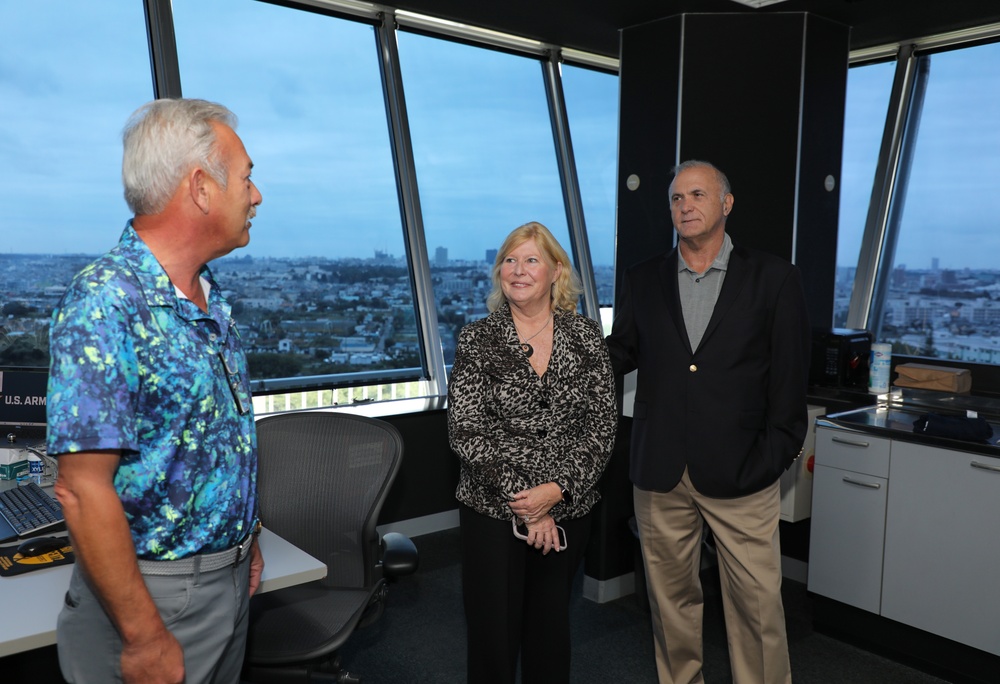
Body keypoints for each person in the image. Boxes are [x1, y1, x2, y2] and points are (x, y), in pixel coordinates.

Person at [46, 98, 264, 684]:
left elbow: (220, 437)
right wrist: (143, 635)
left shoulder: (206, 295)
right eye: (246, 177)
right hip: (154, 598)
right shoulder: (106, 301)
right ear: (200, 188)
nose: (257, 194)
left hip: (227, 579)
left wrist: (244, 538)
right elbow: (81, 487)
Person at [605, 160, 810, 684]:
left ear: (727, 204)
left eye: (698, 194)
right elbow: (620, 352)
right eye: (676, 198)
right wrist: (551, 353)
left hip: (742, 471)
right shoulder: (643, 278)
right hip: (660, 470)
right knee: (670, 604)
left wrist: (773, 456)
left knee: (758, 607)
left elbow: (789, 382)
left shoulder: (774, 278)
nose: (686, 206)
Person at [447, 221, 617, 684]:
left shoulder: (586, 338)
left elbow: (600, 429)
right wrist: (530, 503)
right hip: (494, 512)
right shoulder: (477, 339)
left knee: (550, 632)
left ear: (556, 271)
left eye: (531, 260)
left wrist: (557, 491)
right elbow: (467, 432)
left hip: (570, 508)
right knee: (493, 638)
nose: (517, 271)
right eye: (509, 260)